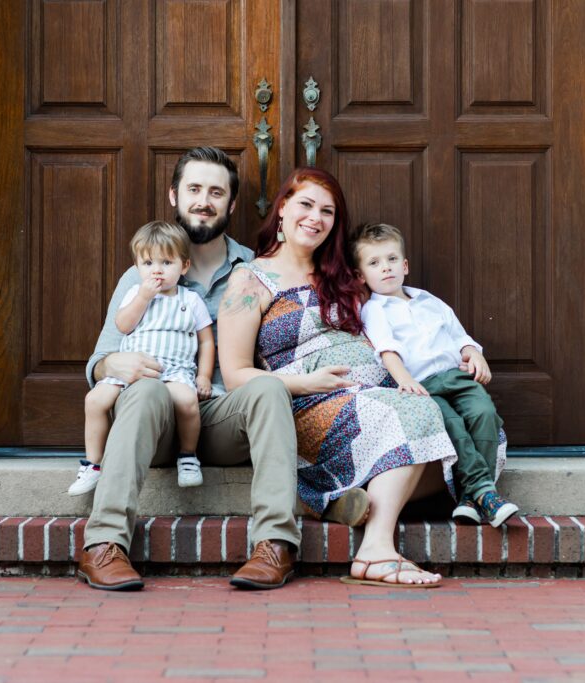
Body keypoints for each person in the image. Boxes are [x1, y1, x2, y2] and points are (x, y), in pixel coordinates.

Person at [76, 147, 367, 592]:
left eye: (216, 192)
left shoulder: (256, 269)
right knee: (145, 391)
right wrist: (114, 362)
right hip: (152, 415)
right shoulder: (144, 273)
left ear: (231, 204)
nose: (204, 201)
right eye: (194, 189)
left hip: (220, 416)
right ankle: (104, 544)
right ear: (175, 196)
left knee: (268, 388)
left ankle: (274, 544)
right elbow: (99, 362)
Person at [218, 168, 459, 588]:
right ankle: (376, 551)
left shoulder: (345, 276)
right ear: (282, 210)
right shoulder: (250, 279)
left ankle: (339, 496)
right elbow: (237, 375)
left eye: (327, 211)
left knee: (464, 439)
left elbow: (398, 320)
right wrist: (306, 384)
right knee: (419, 419)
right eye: (306, 205)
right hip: (307, 405)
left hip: (377, 396)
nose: (316, 217)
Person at [351, 223, 518, 527]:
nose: (385, 268)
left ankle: (471, 498)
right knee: (452, 426)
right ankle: (485, 492)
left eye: (391, 260)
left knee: (484, 414)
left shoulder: (429, 300)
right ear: (362, 276)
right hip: (423, 385)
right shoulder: (375, 310)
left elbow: (459, 335)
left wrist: (475, 353)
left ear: (405, 266)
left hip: (457, 377)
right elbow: (387, 350)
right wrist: (404, 380)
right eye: (374, 263)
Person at [70, 221, 215, 497]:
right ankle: (93, 464)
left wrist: (204, 376)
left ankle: (187, 456)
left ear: (184, 266)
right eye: (148, 263)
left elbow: (206, 341)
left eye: (166, 262)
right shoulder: (134, 294)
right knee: (94, 400)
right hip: (131, 371)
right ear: (137, 267)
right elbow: (123, 325)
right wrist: (142, 298)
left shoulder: (191, 300)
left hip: (174, 371)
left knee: (187, 402)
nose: (157, 269)